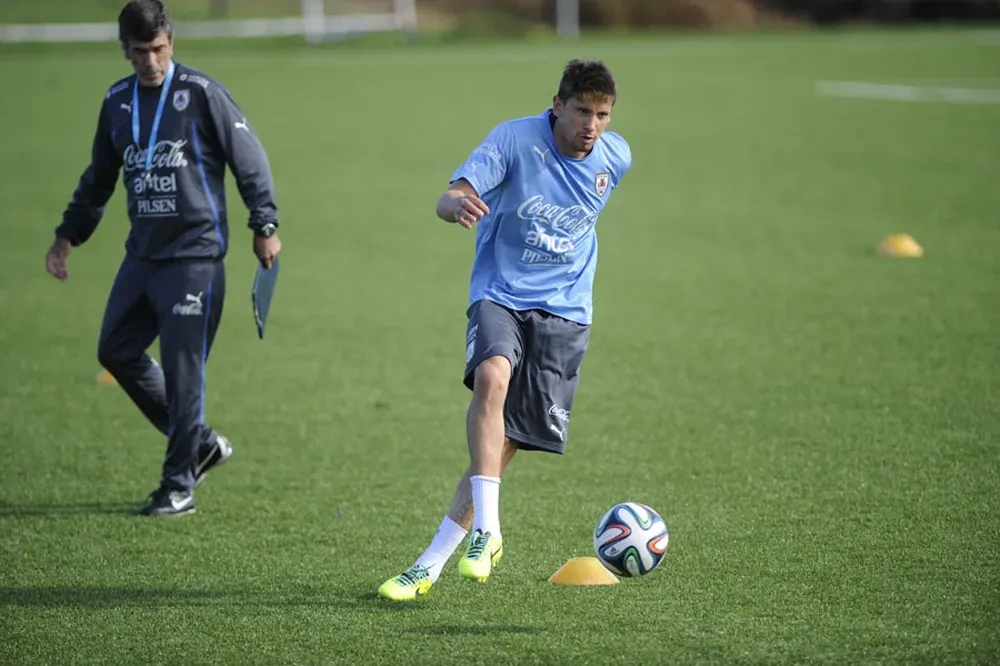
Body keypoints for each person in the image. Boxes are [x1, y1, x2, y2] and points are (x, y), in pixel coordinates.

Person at [378, 59, 631, 600]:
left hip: (566, 313)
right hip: (500, 293)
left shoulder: (617, 157)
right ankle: (489, 530)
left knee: (503, 442)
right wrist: (456, 207)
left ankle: (429, 564)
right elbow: (450, 195)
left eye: (602, 114)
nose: (591, 123)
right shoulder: (514, 140)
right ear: (557, 105)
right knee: (492, 378)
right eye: (582, 110)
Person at [44, 0, 282, 517]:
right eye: (139, 52)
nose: (150, 60)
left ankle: (179, 486)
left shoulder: (201, 94)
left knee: (183, 372)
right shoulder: (116, 102)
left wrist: (264, 224)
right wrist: (68, 235)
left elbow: (250, 161)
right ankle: (198, 444)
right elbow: (98, 179)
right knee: (115, 349)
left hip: (195, 257)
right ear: (124, 50)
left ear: (170, 40)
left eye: (158, 48)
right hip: (143, 257)